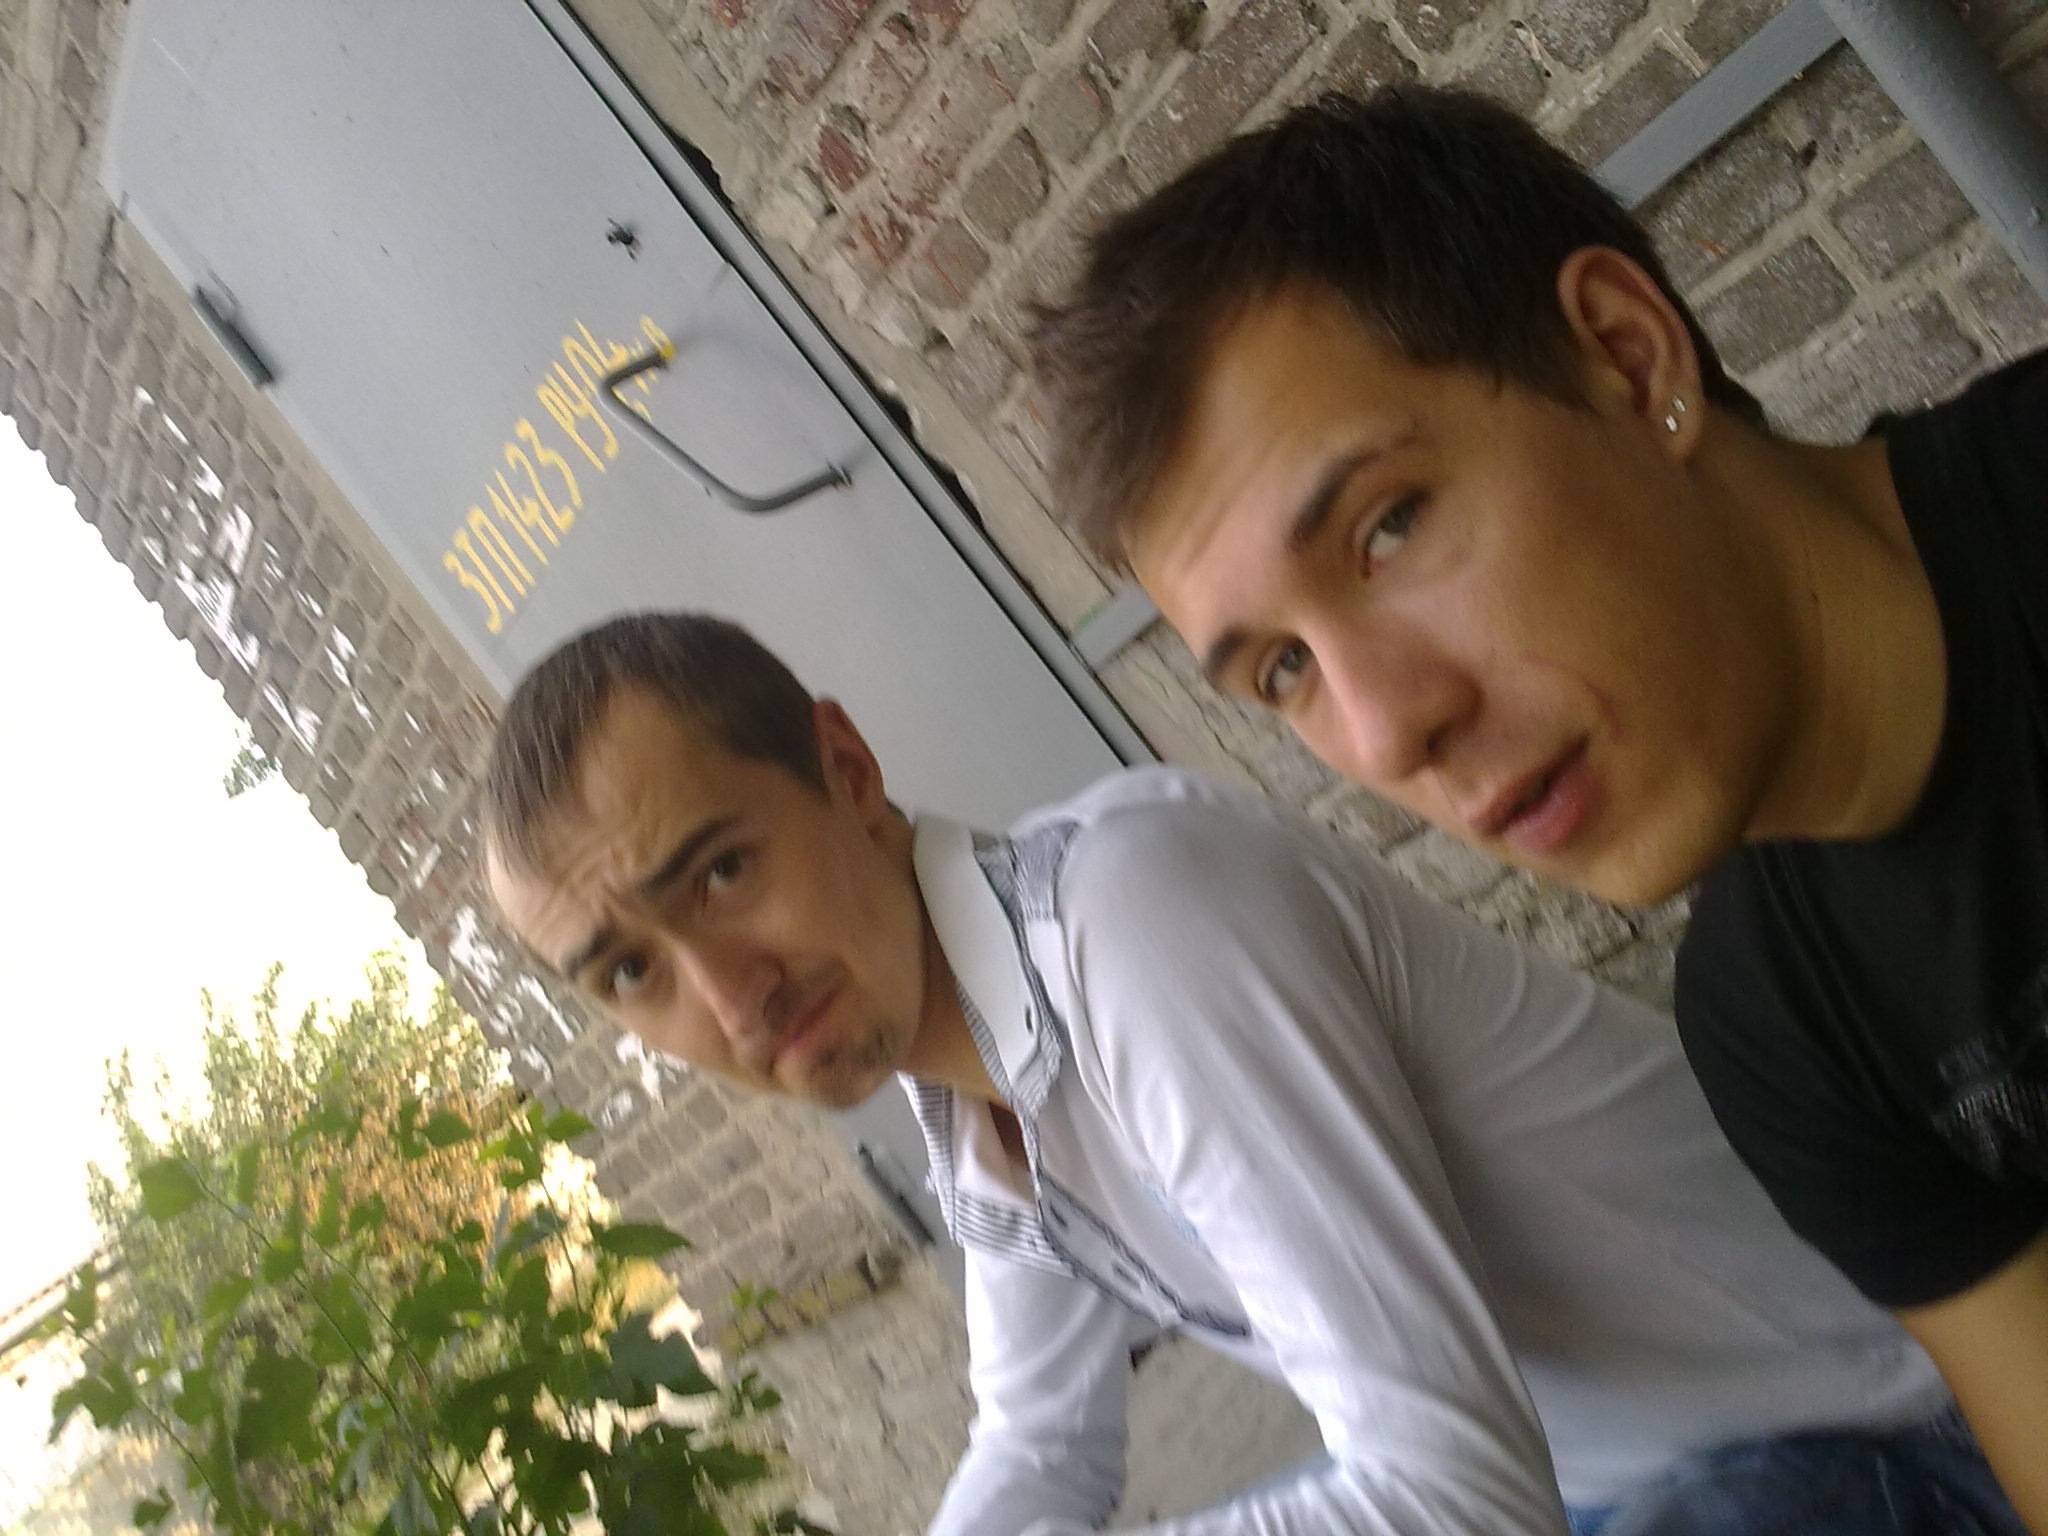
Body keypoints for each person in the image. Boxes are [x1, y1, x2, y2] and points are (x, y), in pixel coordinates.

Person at [1026, 85, 2048, 1530]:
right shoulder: (1775, 1026)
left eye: (1390, 526)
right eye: (1284, 671)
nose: (1388, 728)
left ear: (1628, 359)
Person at [478, 611, 2010, 1536]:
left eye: (723, 871)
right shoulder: (971, 1101)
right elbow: (1042, 1441)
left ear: (846, 769)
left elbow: (1455, 1499)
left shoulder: (1132, 918)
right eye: (630, 973)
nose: (725, 992)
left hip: (1924, 1425)